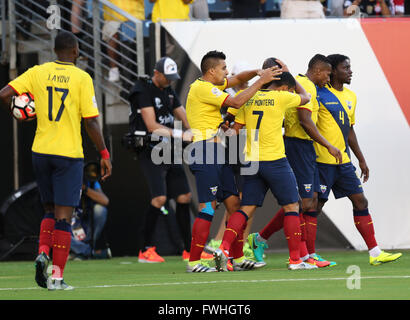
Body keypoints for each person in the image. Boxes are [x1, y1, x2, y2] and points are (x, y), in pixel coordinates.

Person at [0, 31, 112, 290]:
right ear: (74, 52)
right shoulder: (82, 78)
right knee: (65, 217)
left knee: (49, 210)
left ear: (55, 50)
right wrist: (104, 153)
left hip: (40, 151)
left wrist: (20, 114)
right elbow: (91, 121)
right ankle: (57, 277)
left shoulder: (38, 71)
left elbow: (5, 94)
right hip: (68, 154)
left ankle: (42, 251)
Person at [185, 50, 281, 272]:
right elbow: (237, 101)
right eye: (223, 68)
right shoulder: (203, 88)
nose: (227, 72)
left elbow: (238, 80)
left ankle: (236, 259)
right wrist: (261, 81)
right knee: (207, 208)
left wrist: (257, 72)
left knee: (234, 205)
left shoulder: (211, 85)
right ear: (211, 71)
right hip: (205, 151)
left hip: (218, 151)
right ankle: (194, 262)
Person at [214, 67, 315, 272]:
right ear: (284, 87)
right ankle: (296, 260)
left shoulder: (248, 98)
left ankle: (223, 248)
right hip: (275, 161)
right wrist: (290, 77)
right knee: (292, 207)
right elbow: (306, 97)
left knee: (246, 209)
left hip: (251, 162)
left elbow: (234, 132)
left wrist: (226, 128)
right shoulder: (283, 97)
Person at [247, 55, 342, 268]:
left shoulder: (308, 86)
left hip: (306, 148)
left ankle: (307, 252)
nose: (329, 76)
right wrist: (328, 145)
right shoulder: (304, 86)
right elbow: (305, 120)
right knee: (301, 202)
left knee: (311, 201)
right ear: (317, 71)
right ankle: (292, 250)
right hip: (296, 145)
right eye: (327, 72)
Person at [314, 54, 401, 265]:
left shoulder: (351, 96)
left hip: (343, 161)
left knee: (360, 201)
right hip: (322, 161)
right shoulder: (320, 94)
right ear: (333, 71)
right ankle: (263, 239)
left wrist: (361, 159)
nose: (350, 71)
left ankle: (375, 253)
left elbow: (349, 130)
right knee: (310, 208)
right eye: (346, 67)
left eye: (350, 67)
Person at [128, 56, 210, 263]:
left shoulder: (168, 90)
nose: (170, 81)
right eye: (167, 77)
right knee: (160, 199)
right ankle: (145, 249)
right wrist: (180, 134)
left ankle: (189, 250)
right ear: (157, 74)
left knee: (183, 196)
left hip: (167, 148)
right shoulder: (143, 90)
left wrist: (197, 131)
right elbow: (151, 125)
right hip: (149, 148)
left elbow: (182, 114)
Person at [70, 162, 111, 260]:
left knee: (100, 210)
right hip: (70, 221)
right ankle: (88, 251)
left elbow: (105, 200)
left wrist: (85, 189)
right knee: (55, 229)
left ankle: (82, 251)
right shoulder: (66, 180)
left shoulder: (90, 182)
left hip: (86, 222)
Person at [102, 0, 145, 82]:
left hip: (135, 16)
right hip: (113, 16)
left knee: (133, 46)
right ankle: (114, 69)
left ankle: (133, 74)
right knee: (114, 36)